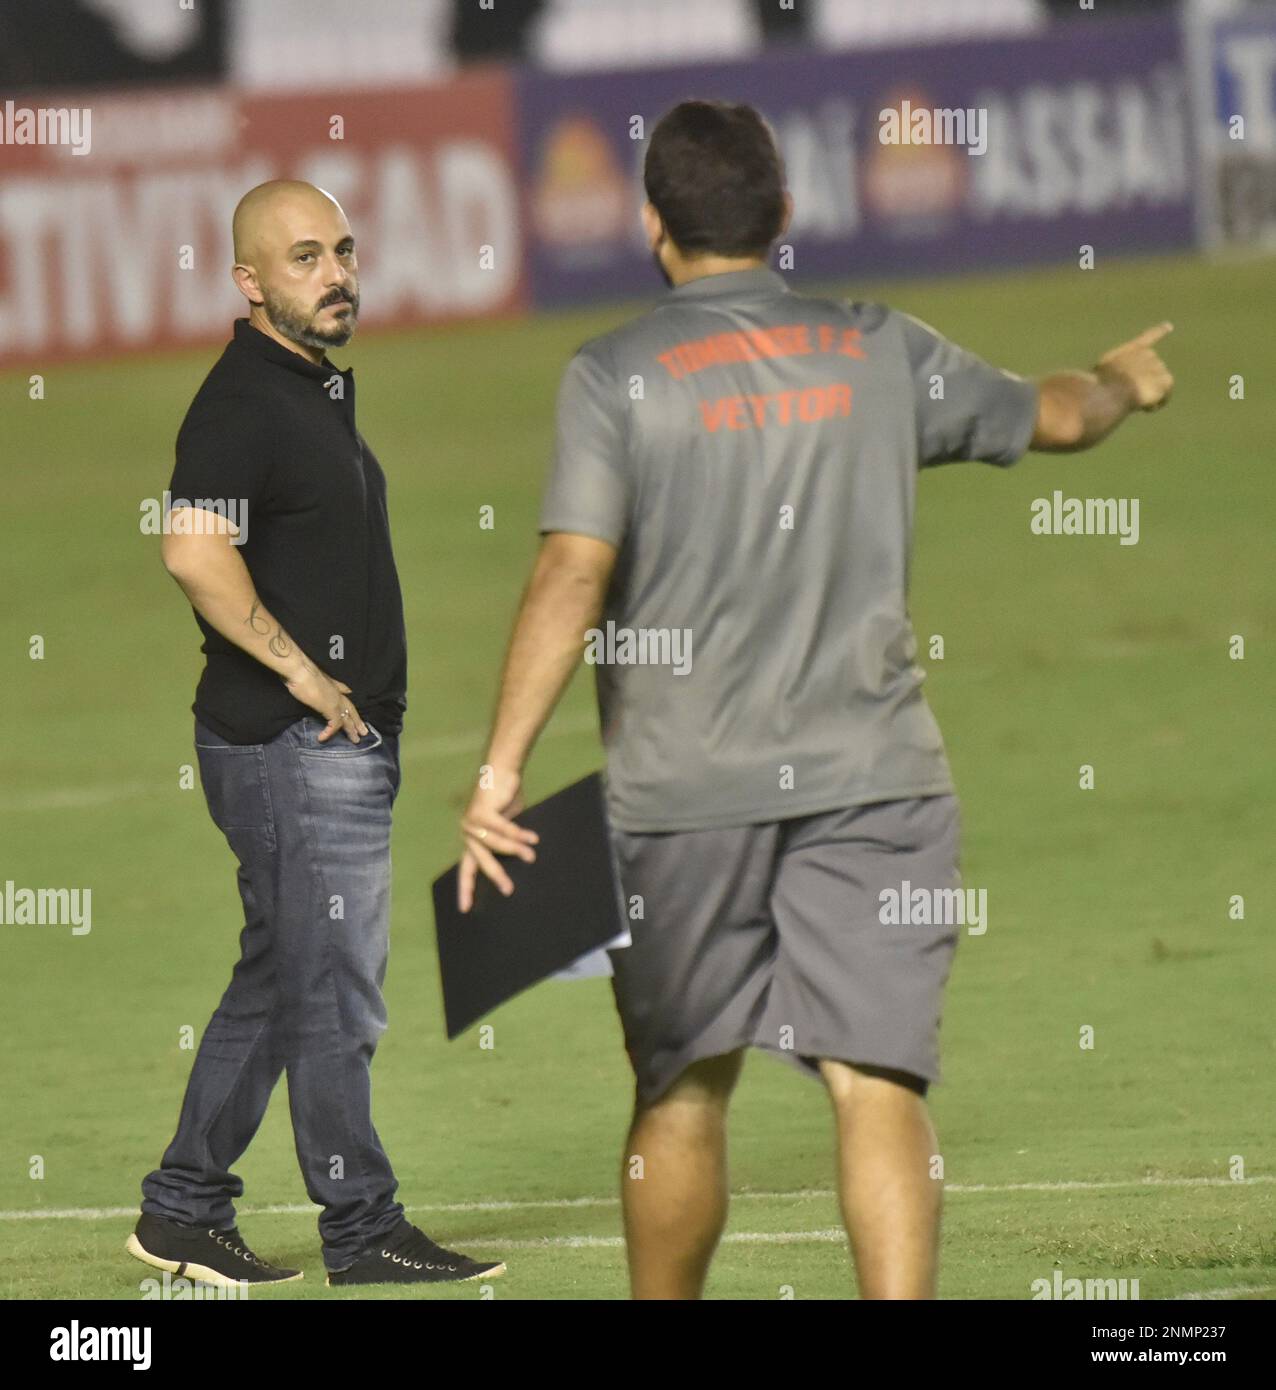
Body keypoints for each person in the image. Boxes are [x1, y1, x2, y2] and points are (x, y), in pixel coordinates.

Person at [457, 101, 1172, 1299]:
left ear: (650, 224)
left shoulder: (613, 375)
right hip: (877, 780)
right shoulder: (877, 346)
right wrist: (1118, 380)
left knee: (682, 1087)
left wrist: (498, 774)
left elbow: (570, 569)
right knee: (875, 1079)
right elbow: (1055, 415)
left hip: (681, 795)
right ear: (784, 216)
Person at [131, 180, 504, 1289]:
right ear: (249, 285)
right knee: (334, 984)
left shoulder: (304, 387)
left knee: (284, 976)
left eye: (342, 249)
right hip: (290, 750)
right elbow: (193, 548)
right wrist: (304, 674)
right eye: (304, 258)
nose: (336, 272)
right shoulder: (243, 398)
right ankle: (362, 1228)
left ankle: (183, 1209)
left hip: (318, 747)